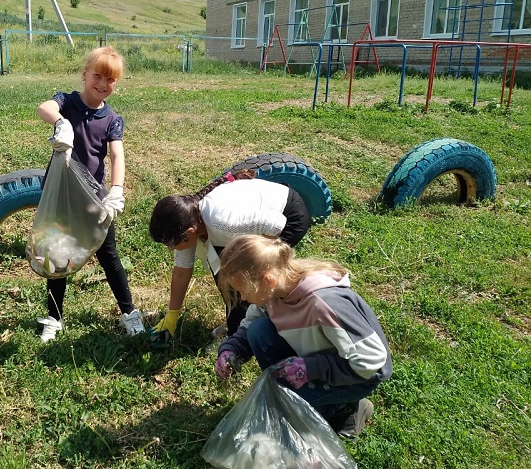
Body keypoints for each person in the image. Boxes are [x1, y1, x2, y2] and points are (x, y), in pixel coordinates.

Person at [214, 235, 392, 438]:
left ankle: (346, 411)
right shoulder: (273, 291)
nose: (243, 297)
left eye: (243, 290)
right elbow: (250, 325)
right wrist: (232, 349)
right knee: (258, 330)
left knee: (283, 400)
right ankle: (307, 400)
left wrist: (312, 368)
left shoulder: (325, 303)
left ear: (267, 279)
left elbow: (371, 362)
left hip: (358, 376)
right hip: (318, 359)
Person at [35, 46, 145, 343]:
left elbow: (116, 155)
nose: (103, 84)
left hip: (95, 198)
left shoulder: (112, 120)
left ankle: (129, 313)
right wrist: (60, 123)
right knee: (57, 254)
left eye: (110, 80)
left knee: (109, 255)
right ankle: (54, 318)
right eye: (98, 75)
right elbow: (44, 107)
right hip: (60, 194)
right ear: (85, 74)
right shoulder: (67, 102)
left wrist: (117, 190)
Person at [147, 170, 311, 346]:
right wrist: (172, 316)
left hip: (288, 217)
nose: (170, 249)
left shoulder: (220, 223)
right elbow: (181, 271)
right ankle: (240, 326)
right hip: (263, 221)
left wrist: (257, 257)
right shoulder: (190, 220)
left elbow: (276, 223)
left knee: (247, 279)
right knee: (227, 277)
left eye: (170, 245)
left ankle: (246, 337)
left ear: (190, 233)